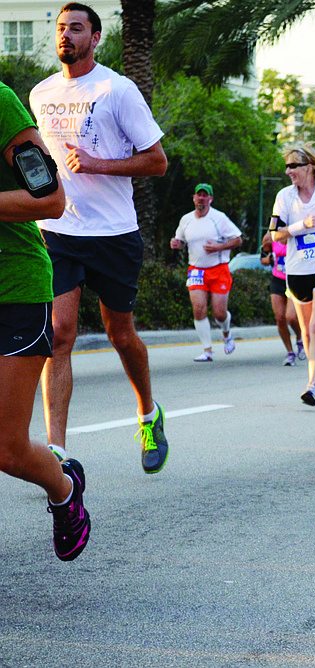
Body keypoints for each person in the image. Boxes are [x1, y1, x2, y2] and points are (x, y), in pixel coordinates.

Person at [30, 3, 169, 473]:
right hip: (58, 230)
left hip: (113, 233)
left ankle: (148, 413)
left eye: (77, 28)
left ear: (95, 38)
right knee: (59, 333)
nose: (66, 35)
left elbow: (157, 161)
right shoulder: (41, 93)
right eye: (61, 28)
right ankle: (57, 452)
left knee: (120, 334)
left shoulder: (118, 89)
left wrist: (97, 164)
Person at [0, 81, 90, 561]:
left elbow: (50, 200)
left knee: (6, 448)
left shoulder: (1, 104)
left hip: (12, 291)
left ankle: (63, 489)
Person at [270, 144, 315, 405]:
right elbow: (275, 234)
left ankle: (313, 383)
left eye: (293, 166)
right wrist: (301, 226)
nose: (288, 171)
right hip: (297, 270)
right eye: (286, 166)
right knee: (306, 331)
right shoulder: (284, 197)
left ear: (308, 167)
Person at [169, 183, 242, 362]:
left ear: (210, 199)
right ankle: (207, 350)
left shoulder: (219, 218)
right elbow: (181, 240)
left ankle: (226, 334)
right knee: (198, 309)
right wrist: (177, 244)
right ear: (194, 198)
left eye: (205, 195)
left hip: (219, 269)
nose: (201, 198)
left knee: (219, 314)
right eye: (198, 195)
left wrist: (218, 247)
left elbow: (238, 239)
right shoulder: (186, 220)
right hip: (196, 270)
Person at [260, 231, 304, 366]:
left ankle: (300, 339)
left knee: (291, 317)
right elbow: (263, 258)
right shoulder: (269, 237)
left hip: (294, 278)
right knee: (280, 318)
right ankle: (290, 352)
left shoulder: (296, 232)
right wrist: (268, 260)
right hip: (277, 279)